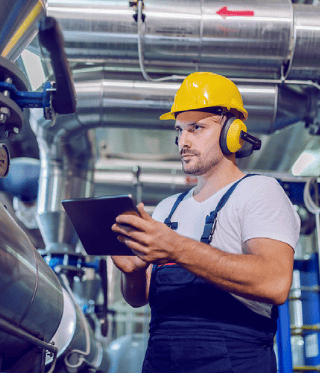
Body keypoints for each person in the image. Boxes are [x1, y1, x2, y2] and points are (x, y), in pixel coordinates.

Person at [111, 72, 300, 373]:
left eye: (196, 128)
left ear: (233, 131)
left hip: (233, 361)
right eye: (179, 130)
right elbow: (138, 299)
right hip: (161, 361)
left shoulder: (259, 191)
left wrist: (176, 248)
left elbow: (275, 282)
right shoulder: (166, 209)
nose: (183, 141)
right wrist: (133, 273)